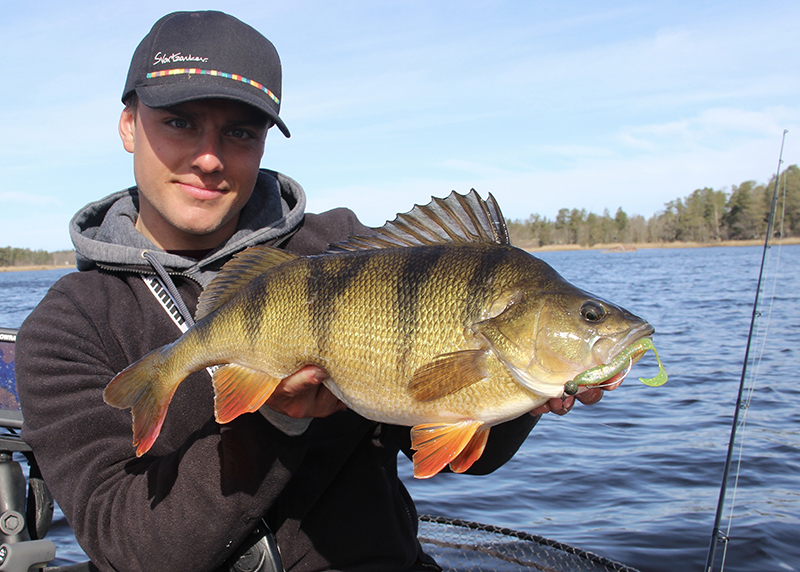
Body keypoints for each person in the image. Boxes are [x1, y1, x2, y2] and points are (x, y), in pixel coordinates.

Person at [15, 10, 610, 572]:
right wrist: (275, 420)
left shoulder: (348, 252)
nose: (208, 157)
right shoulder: (68, 327)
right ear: (127, 124)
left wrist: (530, 392)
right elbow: (129, 546)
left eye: (240, 132)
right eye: (179, 122)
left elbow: (448, 442)